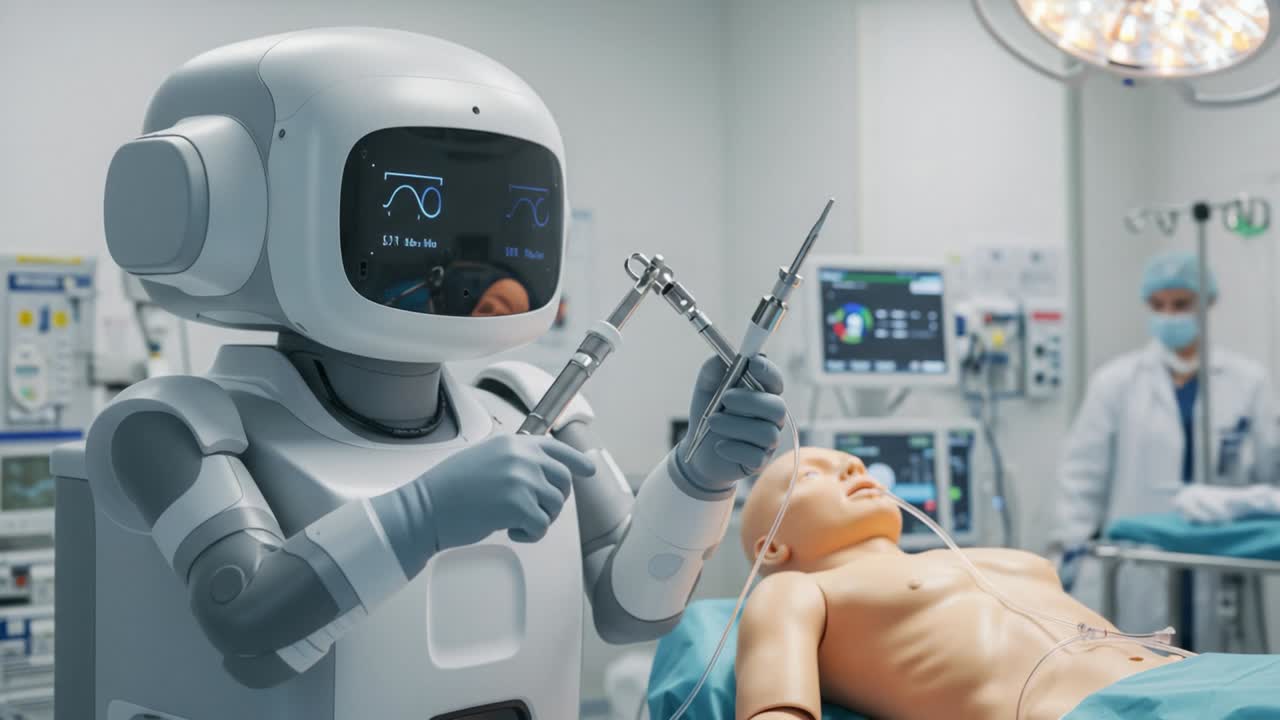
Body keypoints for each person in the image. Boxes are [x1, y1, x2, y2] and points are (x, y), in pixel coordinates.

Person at [733, 447, 1186, 720]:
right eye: (812, 473)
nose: (854, 469)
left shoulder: (975, 557)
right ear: (771, 547)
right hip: (1082, 711)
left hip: (1187, 678)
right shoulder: (799, 590)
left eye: (855, 465)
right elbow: (776, 712)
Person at [1052, 249, 1279, 651]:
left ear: (1207, 303)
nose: (1170, 315)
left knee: (1217, 669)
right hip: (1139, 562)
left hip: (1222, 564)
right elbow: (1081, 479)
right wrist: (1072, 557)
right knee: (1145, 660)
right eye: (1159, 305)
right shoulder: (1115, 382)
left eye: (1181, 304)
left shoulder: (1248, 382)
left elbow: (1270, 476)